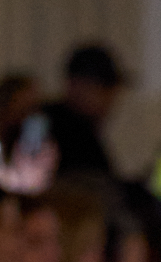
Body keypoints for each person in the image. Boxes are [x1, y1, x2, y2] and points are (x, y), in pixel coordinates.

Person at [44, 41, 129, 183]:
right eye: (102, 89)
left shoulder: (78, 128)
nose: (110, 100)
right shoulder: (65, 130)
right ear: (76, 84)